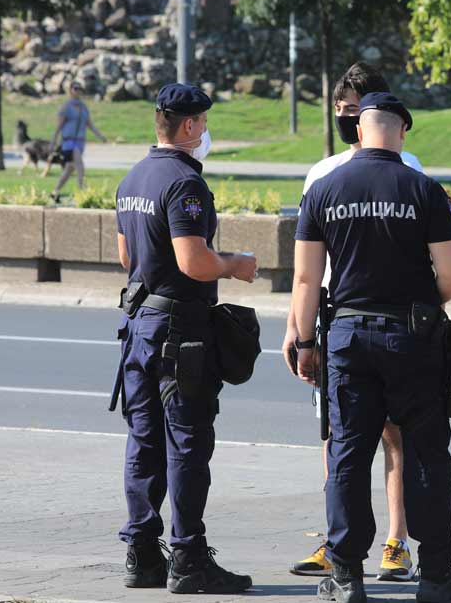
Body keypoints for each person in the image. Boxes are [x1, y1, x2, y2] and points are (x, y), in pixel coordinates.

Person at [292, 92, 451, 603]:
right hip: (412, 336)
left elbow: (306, 279)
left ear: (359, 129)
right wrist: (422, 305)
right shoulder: (424, 189)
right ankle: (436, 574)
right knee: (425, 452)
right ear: (402, 131)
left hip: (347, 337)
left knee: (348, 455)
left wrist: (305, 342)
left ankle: (346, 575)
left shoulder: (323, 189)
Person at [113, 83, 257, 594]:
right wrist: (235, 264)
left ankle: (141, 555)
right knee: (187, 444)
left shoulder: (133, 177)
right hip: (180, 332)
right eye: (204, 123)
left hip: (140, 327)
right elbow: (193, 260)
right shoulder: (184, 183)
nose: (206, 132)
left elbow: (127, 257)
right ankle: (189, 558)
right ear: (190, 125)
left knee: (144, 440)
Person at [285, 62, 422, 583]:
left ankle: (396, 541)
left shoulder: (409, 168)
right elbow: (306, 270)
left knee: (394, 434)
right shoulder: (321, 174)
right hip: (335, 317)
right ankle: (338, 542)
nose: (348, 119)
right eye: (341, 111)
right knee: (337, 436)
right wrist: (297, 331)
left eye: (355, 111)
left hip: (392, 318)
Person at [49, 81, 107, 202]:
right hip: (69, 142)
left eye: (80, 89)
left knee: (69, 169)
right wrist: (53, 141)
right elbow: (59, 126)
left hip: (80, 142)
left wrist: (100, 136)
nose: (78, 91)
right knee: (79, 165)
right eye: (75, 88)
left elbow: (89, 124)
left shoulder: (83, 107)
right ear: (70, 90)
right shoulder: (66, 106)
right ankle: (82, 190)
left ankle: (55, 191)